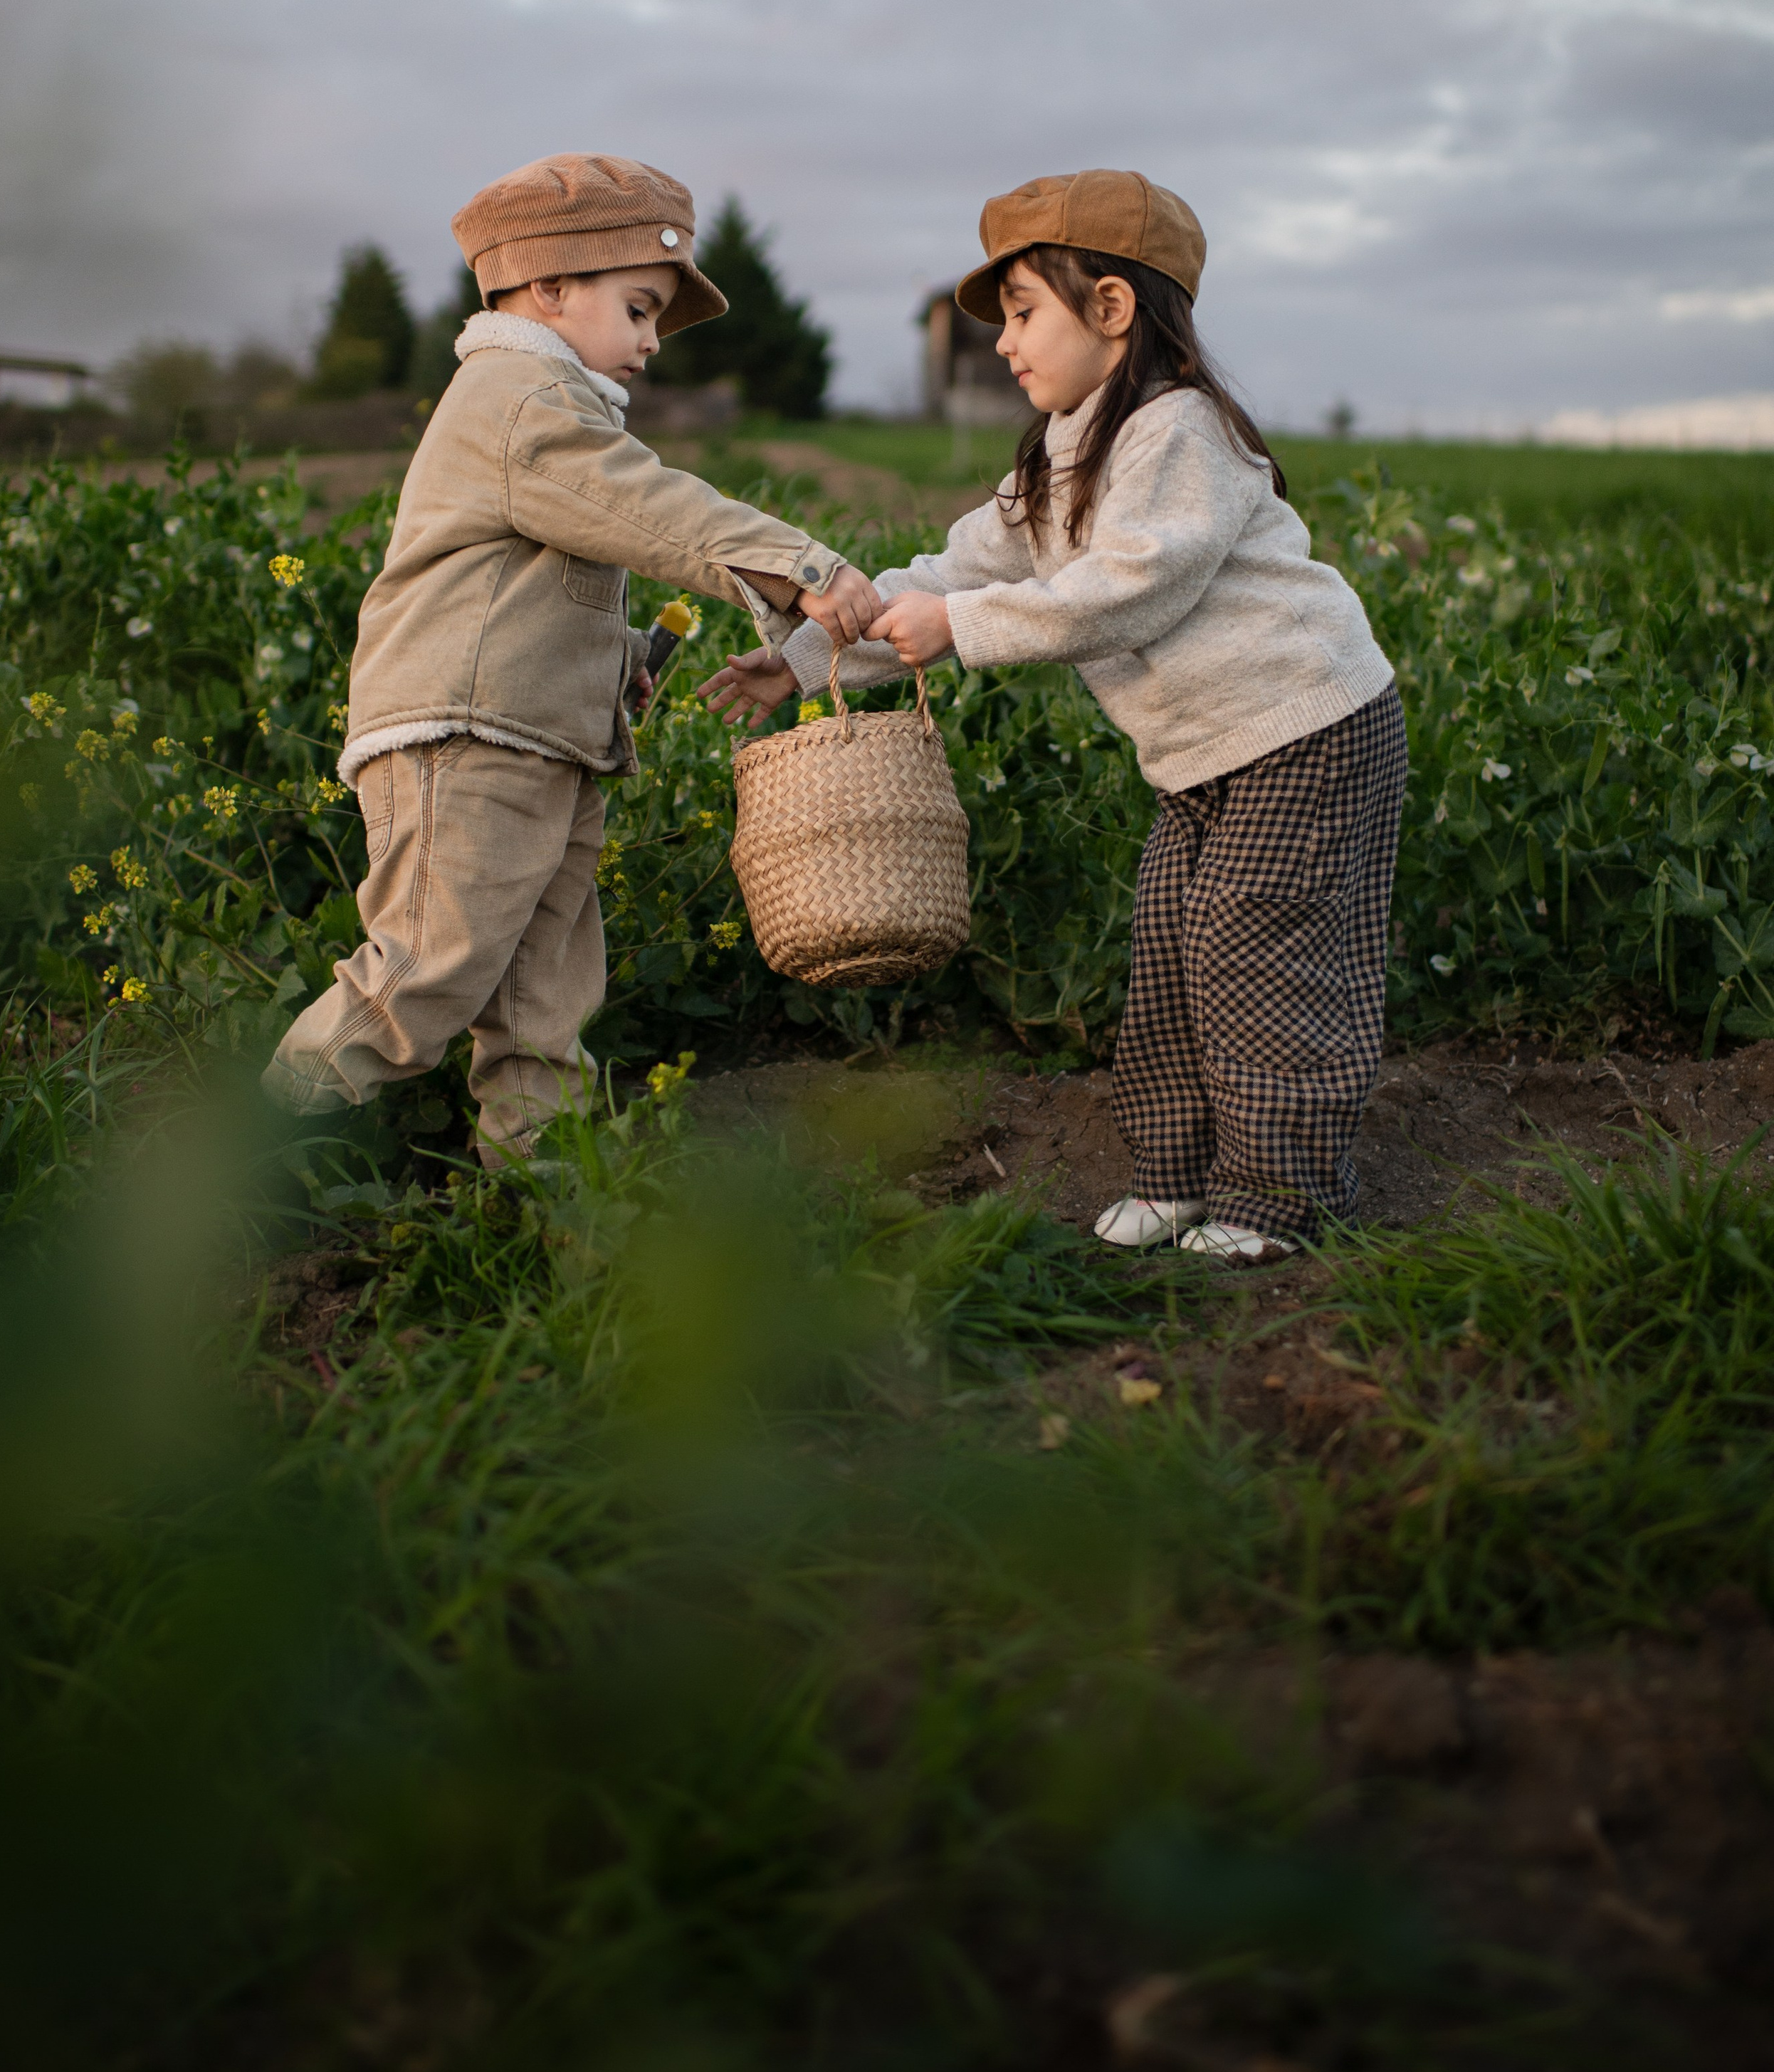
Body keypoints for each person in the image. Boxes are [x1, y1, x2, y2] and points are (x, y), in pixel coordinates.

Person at [701, 169, 1402, 1262]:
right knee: (1170, 955)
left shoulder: (1179, 431)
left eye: (1025, 311)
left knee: (1256, 954)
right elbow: (941, 574)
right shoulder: (1057, 456)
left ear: (1114, 310)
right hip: (1203, 755)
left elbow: (1135, 586)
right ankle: (1177, 1179)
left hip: (1305, 728)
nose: (1002, 342)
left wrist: (965, 627)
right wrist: (801, 661)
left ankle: (1282, 1197)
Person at [265, 151, 879, 1159]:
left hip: (536, 742)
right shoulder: (517, 396)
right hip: (469, 745)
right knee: (421, 976)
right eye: (638, 309)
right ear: (548, 287)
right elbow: (641, 504)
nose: (650, 342)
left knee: (541, 1001)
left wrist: (617, 656)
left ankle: (545, 1193)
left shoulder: (547, 403)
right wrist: (794, 564)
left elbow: (538, 582)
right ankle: (237, 1167)